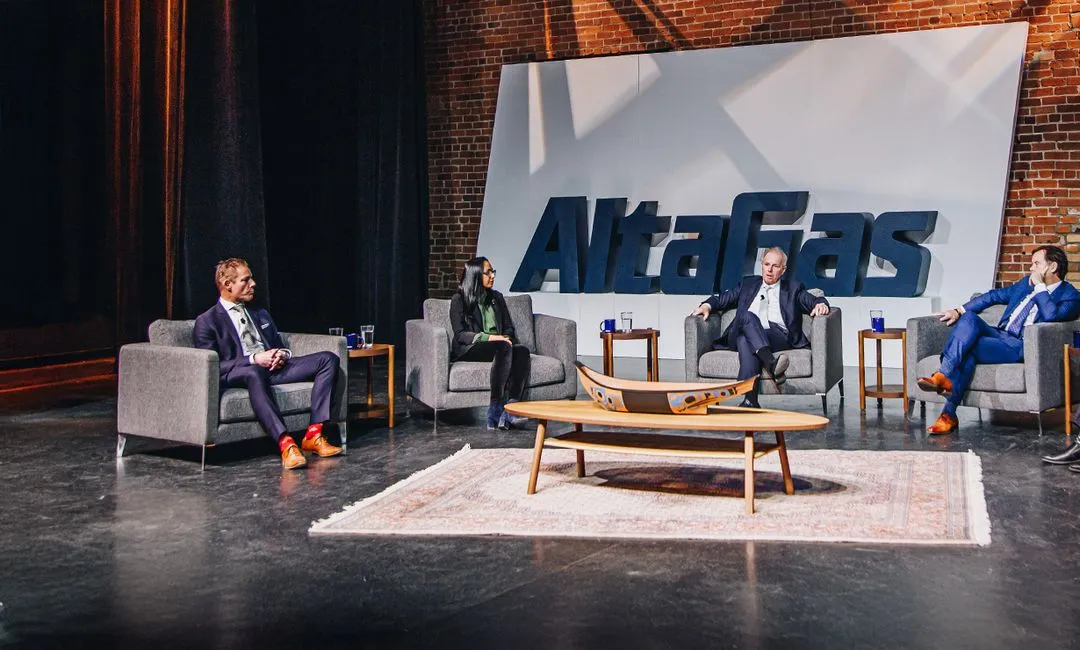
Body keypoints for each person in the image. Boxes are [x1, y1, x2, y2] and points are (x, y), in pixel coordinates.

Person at [193, 258, 342, 469]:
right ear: (228, 284)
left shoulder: (259, 312)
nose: (253, 284)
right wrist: (254, 359)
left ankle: (313, 434)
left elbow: (277, 344)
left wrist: (282, 354)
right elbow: (211, 365)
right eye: (245, 280)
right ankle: (286, 443)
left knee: (328, 359)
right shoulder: (207, 321)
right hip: (241, 373)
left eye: (251, 279)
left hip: (271, 369)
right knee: (254, 371)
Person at [918, 245, 1080, 435]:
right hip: (1000, 335)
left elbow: (1051, 315)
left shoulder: (1071, 296)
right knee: (969, 318)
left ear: (1052, 267)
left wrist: (1040, 288)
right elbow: (993, 296)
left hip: (1020, 345)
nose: (1031, 269)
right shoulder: (1024, 285)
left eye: (1036, 264)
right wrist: (957, 310)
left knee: (969, 348)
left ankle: (947, 407)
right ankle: (943, 379)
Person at [691, 247, 830, 408]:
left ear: (783, 270)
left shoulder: (793, 289)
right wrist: (706, 306)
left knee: (745, 340)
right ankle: (771, 363)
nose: (769, 270)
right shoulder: (747, 284)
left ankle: (750, 401)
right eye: (766, 264)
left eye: (775, 266)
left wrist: (821, 304)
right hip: (741, 330)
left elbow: (813, 300)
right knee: (747, 316)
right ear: (762, 265)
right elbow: (722, 299)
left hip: (776, 335)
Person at [449, 256, 531, 429]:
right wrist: (493, 338)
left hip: (500, 346)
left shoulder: (497, 297)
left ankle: (512, 409)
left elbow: (508, 327)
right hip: (471, 348)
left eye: (493, 272)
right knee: (502, 346)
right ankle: (495, 408)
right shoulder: (459, 300)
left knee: (522, 350)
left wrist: (505, 338)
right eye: (488, 273)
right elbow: (460, 335)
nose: (492, 276)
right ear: (475, 275)